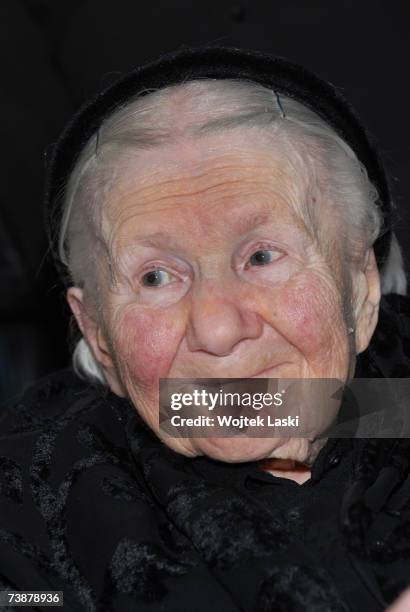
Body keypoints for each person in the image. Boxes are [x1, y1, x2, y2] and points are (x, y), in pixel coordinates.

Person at [0, 46, 409, 611]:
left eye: (262, 257)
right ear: (97, 334)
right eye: (157, 276)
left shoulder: (394, 401)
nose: (217, 329)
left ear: (360, 289)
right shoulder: (30, 490)